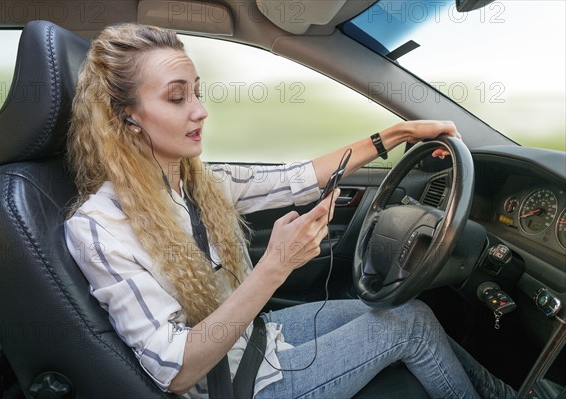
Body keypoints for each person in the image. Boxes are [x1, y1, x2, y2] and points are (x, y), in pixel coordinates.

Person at [64, 23, 516, 399]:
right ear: (124, 116)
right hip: (237, 386)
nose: (201, 111)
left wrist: (392, 136)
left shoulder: (196, 179)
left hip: (258, 339)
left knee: (408, 306)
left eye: (197, 93)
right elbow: (176, 370)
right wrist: (275, 266)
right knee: (410, 325)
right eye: (177, 97)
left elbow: (295, 177)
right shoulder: (99, 227)